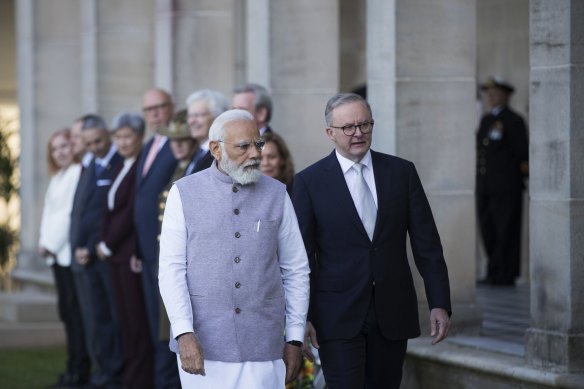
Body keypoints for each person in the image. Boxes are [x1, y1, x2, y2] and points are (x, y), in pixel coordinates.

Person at [292, 93, 452, 389]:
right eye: (349, 127)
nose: (358, 133)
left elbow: (427, 243)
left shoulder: (401, 173)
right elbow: (300, 259)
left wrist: (439, 302)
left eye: (365, 125)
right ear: (331, 133)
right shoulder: (309, 183)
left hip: (392, 312)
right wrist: (301, 317)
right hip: (337, 315)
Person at [158, 109, 310, 388]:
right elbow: (171, 269)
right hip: (203, 346)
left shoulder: (277, 193)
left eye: (259, 144)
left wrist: (295, 338)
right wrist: (183, 333)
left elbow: (296, 269)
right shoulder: (183, 192)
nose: (255, 154)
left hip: (265, 344)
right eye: (243, 146)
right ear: (216, 148)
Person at [96, 113, 153, 389]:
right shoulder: (121, 165)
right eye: (118, 136)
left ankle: (139, 379)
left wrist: (108, 243)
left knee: (136, 321)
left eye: (127, 136)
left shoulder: (138, 166)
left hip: (128, 254)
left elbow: (130, 211)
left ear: (140, 138)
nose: (122, 142)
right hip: (115, 256)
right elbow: (108, 209)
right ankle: (129, 377)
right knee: (125, 321)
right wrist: (103, 240)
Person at [69, 114, 124, 388]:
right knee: (97, 319)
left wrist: (90, 247)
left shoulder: (117, 164)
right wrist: (79, 247)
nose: (94, 147)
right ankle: (102, 372)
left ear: (108, 136)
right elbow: (83, 212)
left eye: (98, 141)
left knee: (112, 318)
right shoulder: (93, 165)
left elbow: (106, 214)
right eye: (89, 143)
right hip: (87, 256)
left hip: (105, 256)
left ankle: (114, 373)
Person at [134, 88, 180, 388]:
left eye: (159, 107)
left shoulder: (177, 146)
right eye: (148, 109)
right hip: (146, 253)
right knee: (154, 328)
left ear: (171, 108)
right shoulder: (150, 144)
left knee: (169, 330)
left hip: (167, 252)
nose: (153, 114)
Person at [39, 128, 90, 388]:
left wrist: (49, 244)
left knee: (76, 315)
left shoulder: (75, 174)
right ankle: (72, 366)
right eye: (55, 148)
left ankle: (80, 370)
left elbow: (68, 215)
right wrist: (43, 243)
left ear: (71, 147)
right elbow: (49, 213)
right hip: (56, 257)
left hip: (66, 254)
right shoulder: (57, 177)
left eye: (63, 146)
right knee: (67, 314)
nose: (59, 152)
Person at [476, 76, 529, 286]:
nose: (491, 97)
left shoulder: (513, 120)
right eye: (488, 93)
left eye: (495, 93)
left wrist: (521, 178)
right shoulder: (486, 120)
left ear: (506, 96)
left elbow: (522, 153)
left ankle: (506, 273)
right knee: (488, 228)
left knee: (506, 230)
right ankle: (494, 269)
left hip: (507, 186)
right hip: (486, 185)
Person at [185, 89, 229, 175]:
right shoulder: (198, 151)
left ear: (217, 117)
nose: (192, 121)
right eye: (190, 116)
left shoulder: (220, 154)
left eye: (198, 115)